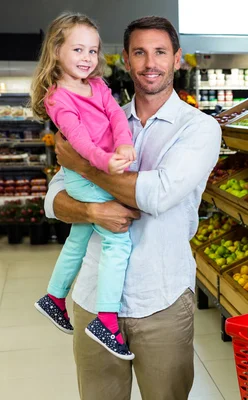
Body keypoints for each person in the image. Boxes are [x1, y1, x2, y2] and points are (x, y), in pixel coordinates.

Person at [44, 15, 221, 399]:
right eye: (139, 53)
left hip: (160, 299)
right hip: (93, 297)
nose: (149, 63)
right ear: (125, 60)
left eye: (160, 52)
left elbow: (155, 195)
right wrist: (92, 211)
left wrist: (82, 165)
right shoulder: (98, 114)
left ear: (177, 59)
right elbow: (54, 198)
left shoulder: (199, 128)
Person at [32, 12, 137, 361]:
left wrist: (123, 145)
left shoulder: (97, 86)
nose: (86, 58)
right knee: (117, 240)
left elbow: (117, 117)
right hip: (83, 172)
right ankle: (106, 321)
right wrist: (104, 163)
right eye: (78, 49)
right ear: (57, 50)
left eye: (92, 51)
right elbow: (78, 142)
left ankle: (54, 296)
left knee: (79, 236)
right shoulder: (58, 97)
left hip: (101, 165)